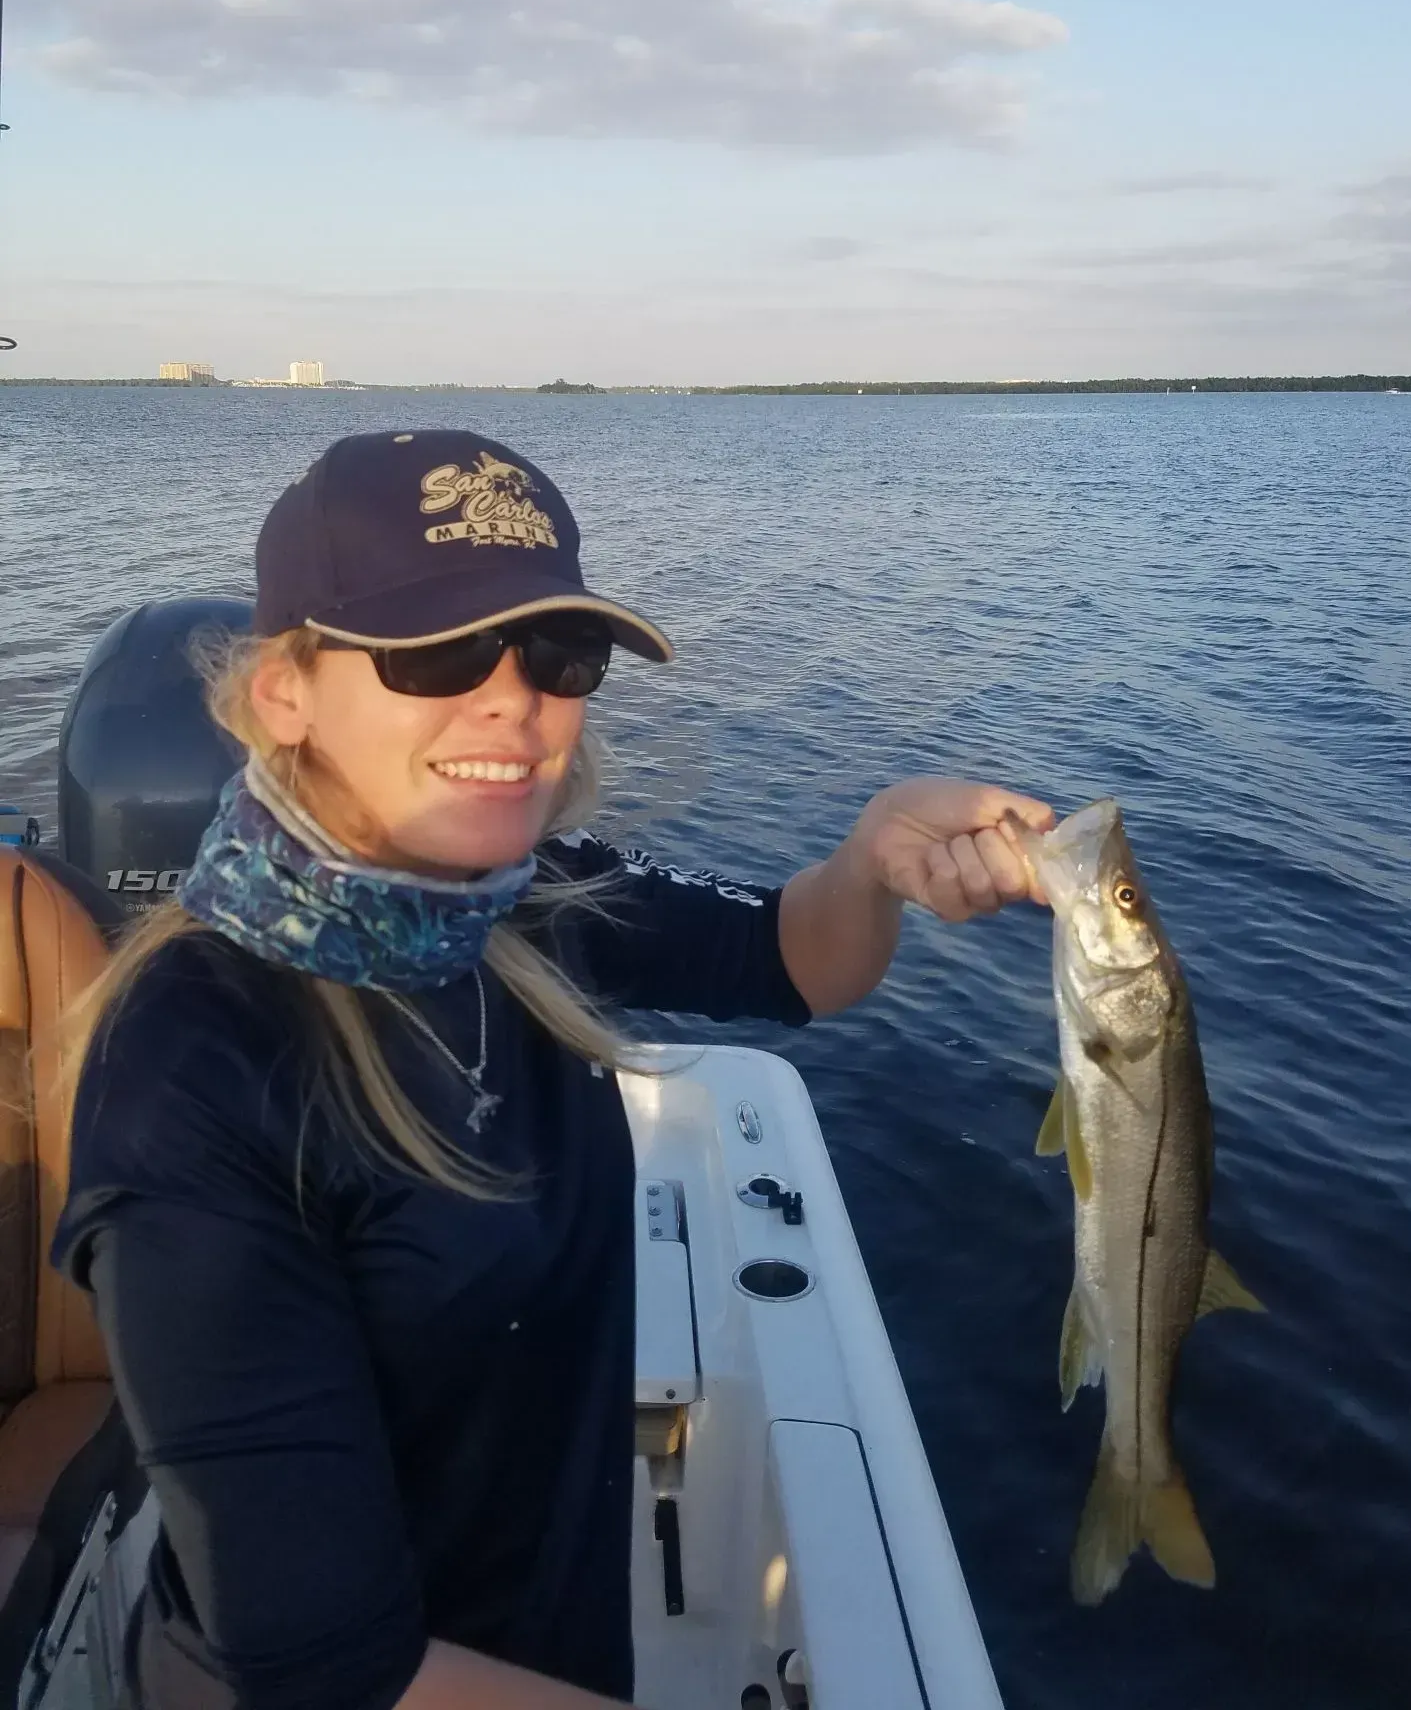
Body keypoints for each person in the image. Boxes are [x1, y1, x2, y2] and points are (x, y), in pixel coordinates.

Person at [55, 429, 1053, 1710]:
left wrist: (869, 861)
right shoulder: (195, 1064)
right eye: (436, 650)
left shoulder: (526, 903)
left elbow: (791, 961)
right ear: (281, 694)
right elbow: (327, 1671)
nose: (514, 699)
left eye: (557, 653)